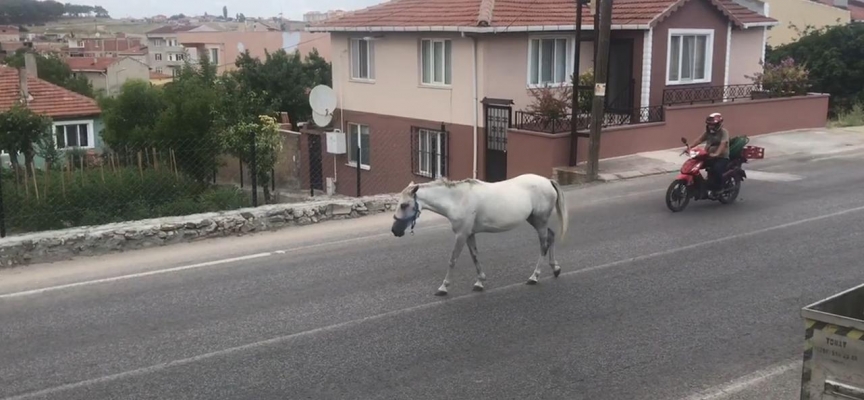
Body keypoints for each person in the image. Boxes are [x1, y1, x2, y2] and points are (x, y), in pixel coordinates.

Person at [689, 112, 729, 198]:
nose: (711, 126)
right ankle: (699, 185)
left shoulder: (724, 132)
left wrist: (717, 153)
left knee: (717, 169)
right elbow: (700, 140)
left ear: (718, 124)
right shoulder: (708, 132)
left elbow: (723, 144)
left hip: (721, 157)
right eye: (709, 124)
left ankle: (719, 188)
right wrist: (690, 147)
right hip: (708, 155)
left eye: (713, 125)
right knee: (694, 166)